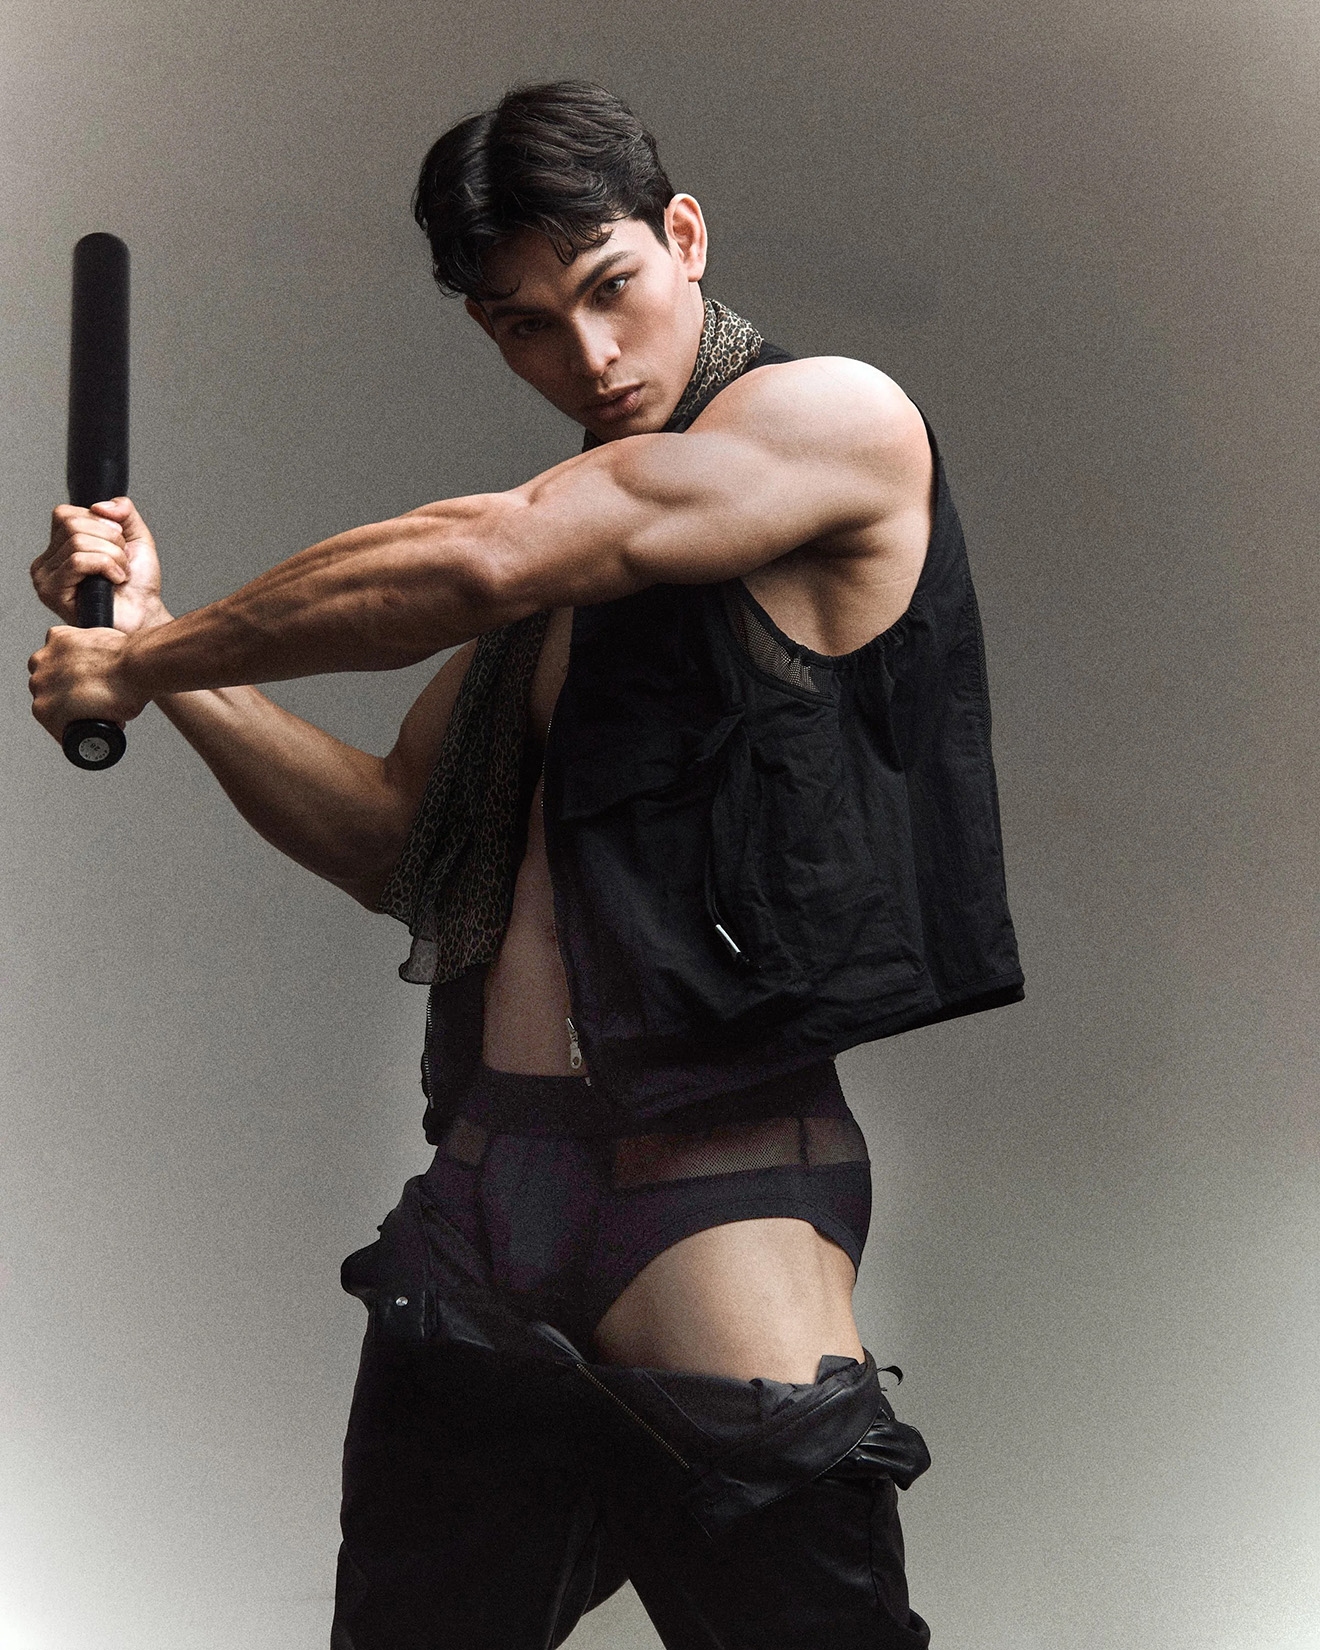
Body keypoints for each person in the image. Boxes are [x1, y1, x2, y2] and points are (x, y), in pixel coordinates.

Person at [29, 81, 1023, 1650]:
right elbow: (393, 839)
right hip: (484, 1200)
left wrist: (152, 660)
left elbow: (489, 548)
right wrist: (154, 643)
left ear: (684, 235)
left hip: (709, 1190)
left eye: (613, 286)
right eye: (527, 327)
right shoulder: (565, 585)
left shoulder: (833, 422)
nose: (591, 356)